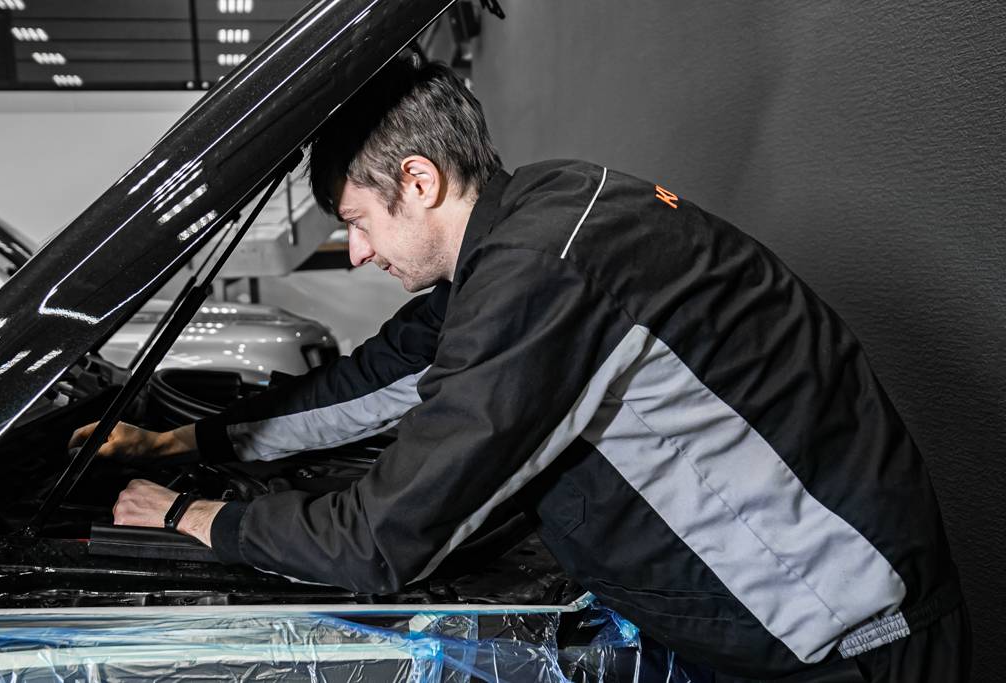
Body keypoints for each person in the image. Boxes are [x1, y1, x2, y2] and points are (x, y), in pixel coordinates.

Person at [69, 56, 967, 681]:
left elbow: (381, 538)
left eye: (357, 221)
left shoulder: (545, 267)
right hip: (784, 627)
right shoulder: (532, 220)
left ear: (417, 181)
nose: (356, 252)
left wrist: (193, 515)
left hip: (850, 641)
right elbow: (377, 379)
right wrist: (183, 440)